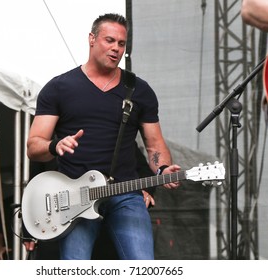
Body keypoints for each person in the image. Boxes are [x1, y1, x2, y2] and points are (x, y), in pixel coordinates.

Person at [26, 13, 180, 260]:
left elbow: (154, 146)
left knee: (143, 267)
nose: (116, 48)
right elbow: (33, 146)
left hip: (125, 193)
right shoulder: (59, 87)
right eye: (109, 40)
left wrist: (162, 169)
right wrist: (55, 146)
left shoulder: (139, 90)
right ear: (92, 39)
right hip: (75, 196)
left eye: (121, 44)